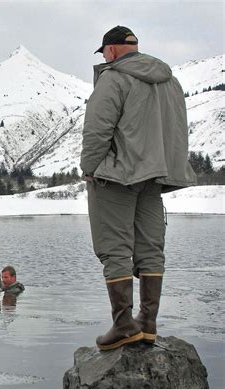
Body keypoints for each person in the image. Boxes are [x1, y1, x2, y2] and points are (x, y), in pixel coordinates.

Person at [80, 26, 196, 351]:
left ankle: (123, 325)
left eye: (104, 52)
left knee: (114, 248)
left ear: (113, 50)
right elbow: (176, 131)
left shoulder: (113, 78)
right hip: (154, 176)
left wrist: (90, 168)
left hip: (117, 176)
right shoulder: (169, 82)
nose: (104, 58)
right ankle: (148, 323)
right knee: (150, 248)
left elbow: (96, 129)